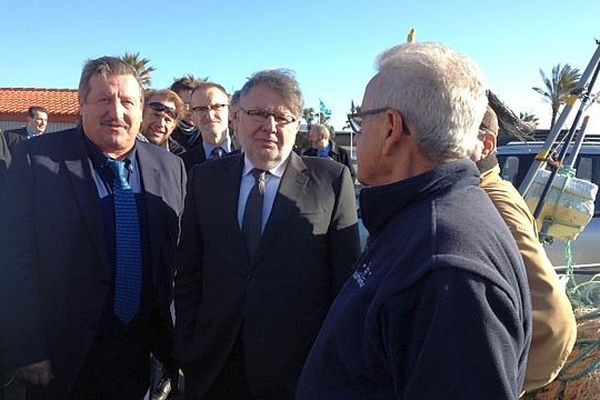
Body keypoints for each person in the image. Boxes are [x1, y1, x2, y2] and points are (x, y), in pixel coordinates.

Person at [297, 42, 532, 399]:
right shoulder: (421, 219)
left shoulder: (446, 268)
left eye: (360, 122)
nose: (357, 137)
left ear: (391, 128)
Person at [0, 56, 186, 400]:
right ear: (81, 104)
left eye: (128, 101)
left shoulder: (171, 167)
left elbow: (177, 260)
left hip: (143, 352)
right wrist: (27, 347)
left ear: (141, 108)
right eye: (103, 99)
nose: (116, 112)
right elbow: (13, 259)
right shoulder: (34, 159)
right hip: (61, 356)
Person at [174, 69, 361, 400]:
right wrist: (188, 343)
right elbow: (189, 269)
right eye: (258, 114)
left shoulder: (331, 180)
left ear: (297, 124)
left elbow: (343, 281)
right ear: (237, 118)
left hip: (295, 369)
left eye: (283, 117)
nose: (269, 126)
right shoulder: (206, 179)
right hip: (213, 364)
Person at [472, 105, 577, 392]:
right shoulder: (497, 189)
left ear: (486, 144)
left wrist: (512, 375)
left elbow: (551, 314)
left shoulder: (489, 202)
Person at [180, 81, 238, 172]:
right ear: (192, 115)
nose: (210, 115)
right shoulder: (182, 164)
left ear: (230, 111)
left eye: (217, 107)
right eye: (201, 109)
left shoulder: (249, 155)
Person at [141, 89, 186, 156]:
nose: (161, 124)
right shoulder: (124, 147)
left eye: (167, 120)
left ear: (173, 126)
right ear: (141, 114)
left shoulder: (179, 157)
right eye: (156, 115)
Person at [170, 76, 202, 150]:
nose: (191, 109)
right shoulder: (166, 134)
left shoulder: (206, 134)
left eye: (195, 104)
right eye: (185, 104)